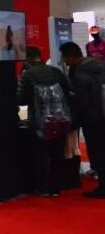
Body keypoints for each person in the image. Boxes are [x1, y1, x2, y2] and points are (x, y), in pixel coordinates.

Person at [17, 46, 72, 197]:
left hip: (39, 122)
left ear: (28, 59)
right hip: (60, 120)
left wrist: (23, 123)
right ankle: (56, 187)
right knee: (57, 154)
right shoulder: (56, 71)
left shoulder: (28, 75)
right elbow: (68, 91)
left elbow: (21, 101)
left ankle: (42, 187)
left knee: (40, 156)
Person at [60, 42, 105, 198]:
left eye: (65, 58)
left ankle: (103, 187)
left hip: (93, 120)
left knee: (98, 153)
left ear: (71, 57)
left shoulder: (80, 75)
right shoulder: (100, 66)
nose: (65, 62)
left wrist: (73, 122)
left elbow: (81, 102)